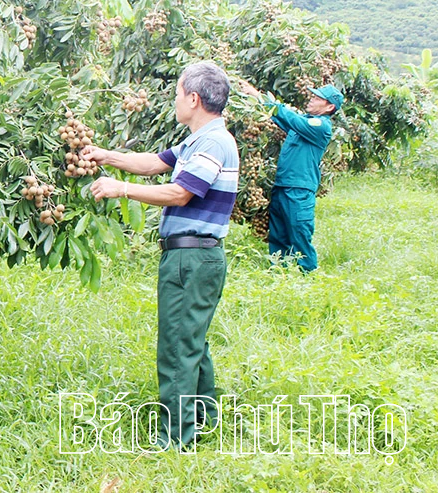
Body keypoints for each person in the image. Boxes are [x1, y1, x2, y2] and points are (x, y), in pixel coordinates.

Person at [81, 61, 239, 451]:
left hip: (192, 258)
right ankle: (204, 418)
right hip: (193, 257)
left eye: (176, 93)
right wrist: (105, 155)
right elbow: (154, 164)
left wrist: (121, 189)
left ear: (194, 98)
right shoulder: (198, 140)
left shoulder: (215, 143)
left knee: (176, 348)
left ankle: (175, 439)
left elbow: (179, 193)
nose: (174, 101)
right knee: (191, 342)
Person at [239, 81, 344, 272]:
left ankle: (308, 274)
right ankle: (279, 272)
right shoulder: (305, 123)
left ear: (330, 107)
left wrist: (259, 95)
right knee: (278, 234)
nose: (311, 99)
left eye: (318, 98)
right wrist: (259, 101)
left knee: (300, 233)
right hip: (282, 186)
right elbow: (283, 119)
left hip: (299, 189)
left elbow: (291, 119)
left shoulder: (320, 126)